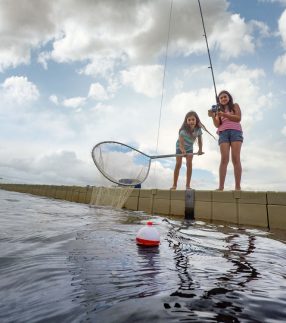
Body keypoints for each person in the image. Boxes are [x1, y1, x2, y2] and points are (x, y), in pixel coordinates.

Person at [208, 90, 243, 191]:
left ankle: (237, 187)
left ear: (229, 97)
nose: (223, 99)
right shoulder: (218, 110)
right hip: (223, 133)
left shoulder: (235, 105)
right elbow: (217, 125)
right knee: (224, 159)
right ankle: (221, 187)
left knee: (236, 158)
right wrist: (213, 116)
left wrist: (224, 114)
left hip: (236, 131)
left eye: (225, 97)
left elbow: (238, 118)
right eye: (221, 98)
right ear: (218, 100)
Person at [172, 111, 213, 190]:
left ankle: (188, 186)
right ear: (186, 121)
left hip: (190, 148)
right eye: (189, 120)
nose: (191, 121)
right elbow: (181, 144)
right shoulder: (183, 131)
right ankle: (174, 185)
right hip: (180, 147)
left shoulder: (198, 130)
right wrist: (183, 150)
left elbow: (200, 141)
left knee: (189, 164)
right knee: (178, 164)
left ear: (196, 120)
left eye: (193, 119)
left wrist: (200, 150)